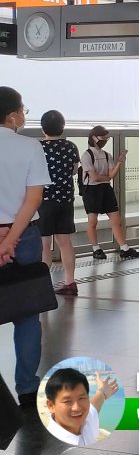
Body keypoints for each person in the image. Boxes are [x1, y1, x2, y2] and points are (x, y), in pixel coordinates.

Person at [0, 88, 51, 408]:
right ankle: (27, 387)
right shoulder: (29, 145)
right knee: (27, 316)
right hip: (25, 237)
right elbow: (33, 199)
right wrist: (9, 240)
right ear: (12, 115)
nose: (24, 114)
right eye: (23, 109)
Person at [80, 126, 139, 261]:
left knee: (116, 219)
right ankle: (96, 248)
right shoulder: (86, 155)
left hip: (105, 189)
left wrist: (120, 162)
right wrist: (105, 177)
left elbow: (110, 175)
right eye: (103, 138)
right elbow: (95, 177)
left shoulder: (106, 155)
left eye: (107, 138)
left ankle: (124, 248)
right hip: (91, 190)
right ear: (94, 138)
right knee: (92, 221)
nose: (105, 141)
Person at [37, 111, 81, 295]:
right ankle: (70, 281)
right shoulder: (71, 146)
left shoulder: (38, 147)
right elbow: (73, 171)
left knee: (44, 244)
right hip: (65, 199)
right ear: (62, 127)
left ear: (43, 127)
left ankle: (44, 285)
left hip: (43, 200)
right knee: (65, 241)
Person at [42, 368, 117, 446]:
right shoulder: (53, 446)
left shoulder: (86, 420)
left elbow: (94, 405)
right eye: (67, 401)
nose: (77, 408)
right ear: (51, 406)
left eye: (81, 398)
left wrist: (102, 391)